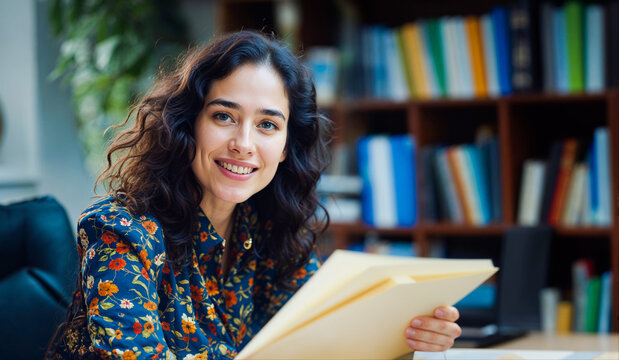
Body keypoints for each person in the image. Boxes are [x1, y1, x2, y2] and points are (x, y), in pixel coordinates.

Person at [46, 30, 461, 359]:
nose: (244, 143)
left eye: (267, 125)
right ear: (188, 125)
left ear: (285, 147)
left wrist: (407, 339)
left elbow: (325, 339)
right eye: (224, 116)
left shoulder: (271, 232)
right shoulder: (120, 231)